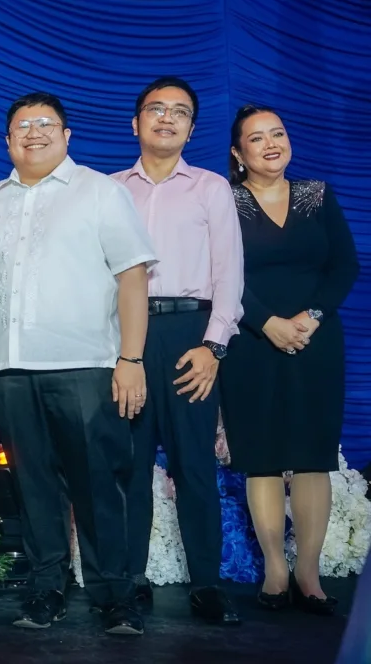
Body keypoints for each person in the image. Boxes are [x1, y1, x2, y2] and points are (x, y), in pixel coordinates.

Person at [0, 92, 155, 636]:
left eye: (46, 123)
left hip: (86, 366)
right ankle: (45, 589)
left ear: (67, 135)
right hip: (10, 368)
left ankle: (115, 595)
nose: (34, 132)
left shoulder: (100, 192)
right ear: (6, 140)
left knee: (97, 483)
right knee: (33, 486)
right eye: (22, 125)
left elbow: (132, 276)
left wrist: (131, 358)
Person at [112, 77, 242, 625]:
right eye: (156, 109)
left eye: (180, 112)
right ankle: (130, 578)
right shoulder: (110, 190)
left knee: (193, 466)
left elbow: (229, 273)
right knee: (130, 465)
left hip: (190, 336)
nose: (167, 118)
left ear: (191, 127)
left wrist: (213, 346)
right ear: (136, 122)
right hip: (128, 340)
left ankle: (206, 584)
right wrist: (118, 352)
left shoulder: (211, 188)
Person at [221, 104, 358, 616]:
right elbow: (220, 274)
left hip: (316, 341)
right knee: (262, 455)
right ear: (239, 153)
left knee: (311, 455)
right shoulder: (225, 201)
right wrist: (268, 324)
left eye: (277, 133)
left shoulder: (317, 196)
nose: (271, 144)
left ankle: (308, 573)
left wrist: (312, 317)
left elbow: (344, 265)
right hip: (251, 343)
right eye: (257, 139)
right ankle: (276, 570)